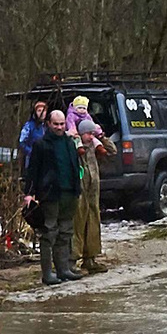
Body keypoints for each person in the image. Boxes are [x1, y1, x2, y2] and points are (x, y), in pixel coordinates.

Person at [24, 107, 83, 286]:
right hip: (49, 194)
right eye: (56, 124)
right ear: (49, 124)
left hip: (69, 192)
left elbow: (75, 166)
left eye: (62, 124)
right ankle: (47, 273)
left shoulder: (69, 143)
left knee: (65, 231)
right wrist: (29, 193)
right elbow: (32, 170)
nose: (59, 127)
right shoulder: (41, 144)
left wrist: (77, 188)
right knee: (49, 232)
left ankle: (63, 269)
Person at [67, 95, 107, 274]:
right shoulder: (73, 146)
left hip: (93, 190)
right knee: (78, 222)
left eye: (91, 133)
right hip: (80, 190)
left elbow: (111, 150)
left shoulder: (92, 146)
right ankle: (72, 260)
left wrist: (101, 137)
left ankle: (90, 258)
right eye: (88, 133)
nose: (90, 136)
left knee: (93, 220)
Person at [15, 99, 51, 172]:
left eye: (43, 111)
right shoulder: (29, 126)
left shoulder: (48, 126)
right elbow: (21, 142)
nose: (41, 113)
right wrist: (31, 152)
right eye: (39, 111)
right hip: (32, 160)